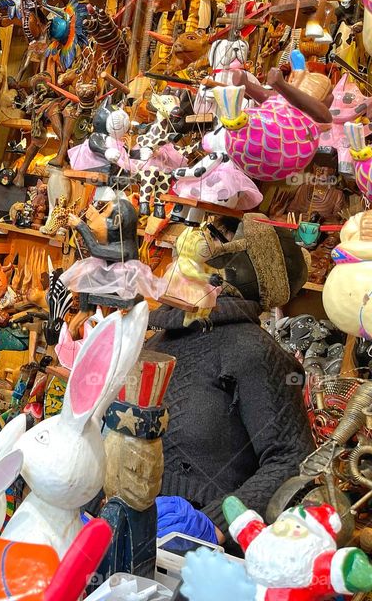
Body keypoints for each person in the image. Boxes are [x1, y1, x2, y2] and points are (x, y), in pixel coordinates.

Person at [144, 213, 315, 548]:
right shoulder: (158, 338)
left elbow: (292, 459)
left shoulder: (253, 350)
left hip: (193, 557)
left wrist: (213, 524)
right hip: (126, 528)